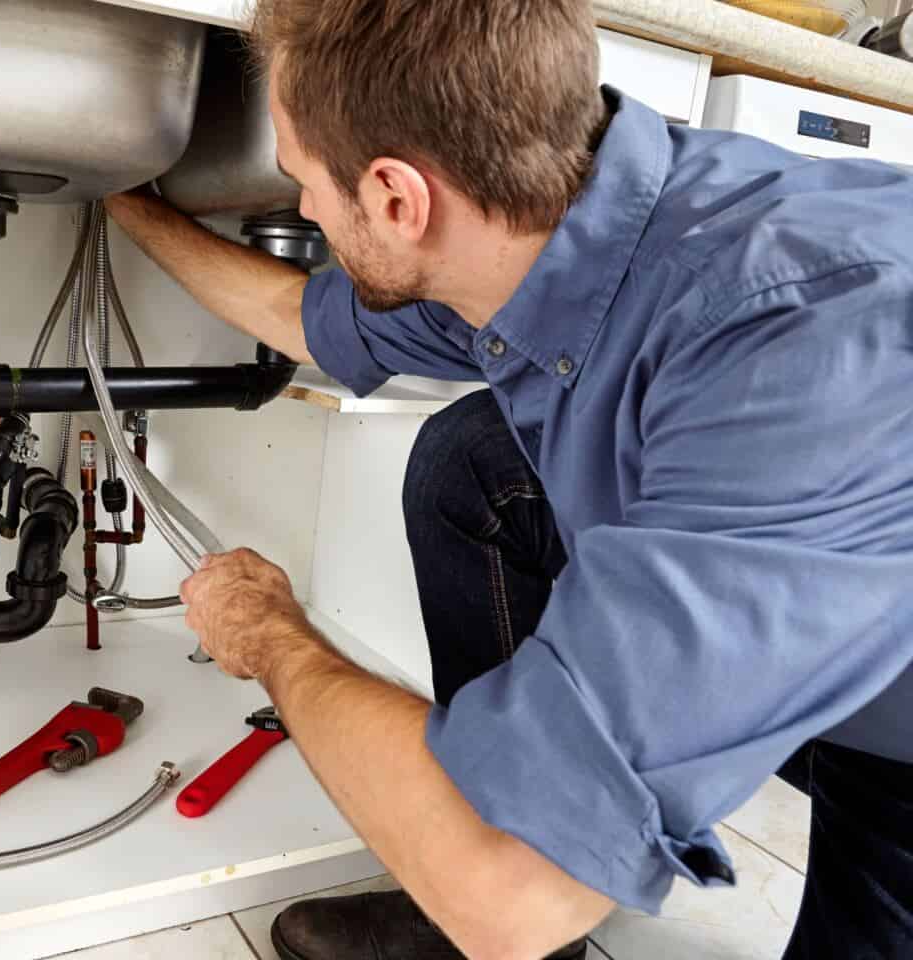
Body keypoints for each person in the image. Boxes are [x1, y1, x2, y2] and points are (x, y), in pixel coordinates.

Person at [104, 0, 913, 958]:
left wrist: (272, 639)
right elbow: (299, 316)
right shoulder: (558, 221)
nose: (305, 210)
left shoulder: (801, 338)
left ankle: (494, 837)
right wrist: (125, 202)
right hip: (842, 612)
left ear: (401, 200)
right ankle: (499, 815)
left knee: (519, 888)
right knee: (475, 464)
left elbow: (514, 899)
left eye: (302, 180)